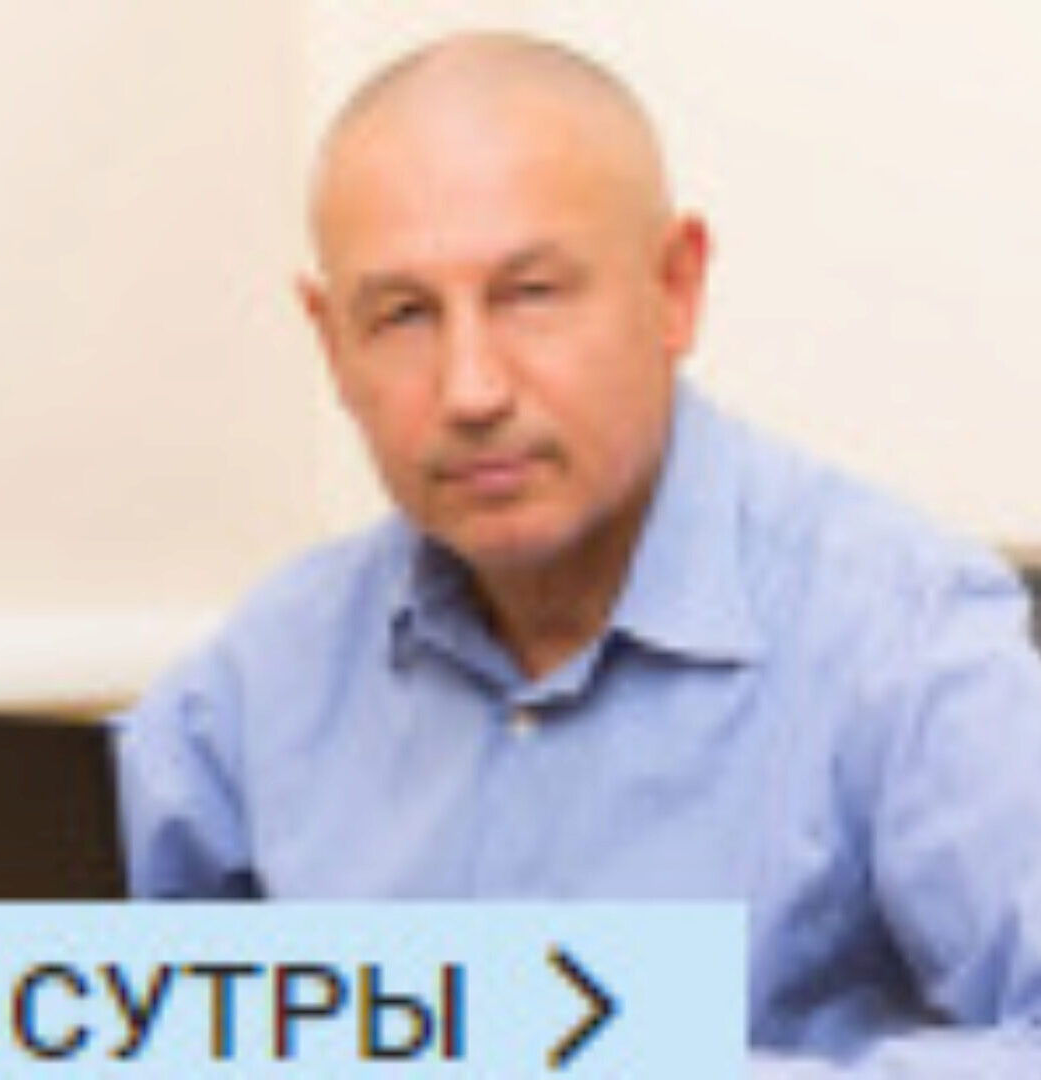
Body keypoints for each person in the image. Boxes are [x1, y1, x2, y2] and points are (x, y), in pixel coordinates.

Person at [113, 31, 1041, 1076]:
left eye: (531, 295)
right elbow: (137, 1030)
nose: (471, 390)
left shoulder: (900, 631)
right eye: (404, 315)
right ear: (332, 344)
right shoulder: (259, 679)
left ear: (675, 288)